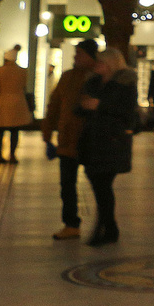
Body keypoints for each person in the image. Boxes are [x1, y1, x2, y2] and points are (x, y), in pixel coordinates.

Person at [76, 47, 139, 246]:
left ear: (111, 64)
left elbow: (127, 112)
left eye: (101, 63)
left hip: (112, 140)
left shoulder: (125, 83)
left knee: (103, 185)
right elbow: (80, 106)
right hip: (92, 139)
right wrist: (84, 107)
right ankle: (110, 227)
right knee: (99, 184)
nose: (97, 66)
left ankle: (101, 229)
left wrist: (99, 106)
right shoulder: (93, 82)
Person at [42, 39, 99, 240]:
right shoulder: (67, 77)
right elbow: (54, 104)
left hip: (92, 139)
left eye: (80, 54)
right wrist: (47, 132)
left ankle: (104, 223)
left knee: (99, 185)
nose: (76, 57)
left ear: (91, 57)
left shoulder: (100, 78)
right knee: (67, 183)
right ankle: (71, 223)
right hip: (67, 139)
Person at [0, 45, 31, 164]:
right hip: (17, 103)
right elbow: (25, 87)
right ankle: (12, 155)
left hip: (1, 104)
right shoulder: (22, 71)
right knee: (15, 131)